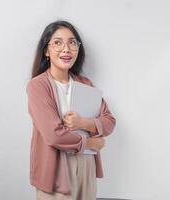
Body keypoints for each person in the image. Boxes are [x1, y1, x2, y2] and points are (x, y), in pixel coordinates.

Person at [26, 20, 116, 200]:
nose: (66, 49)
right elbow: (53, 135)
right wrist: (89, 143)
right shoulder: (38, 86)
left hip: (87, 166)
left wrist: (84, 123)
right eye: (57, 42)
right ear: (46, 50)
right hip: (55, 168)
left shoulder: (85, 84)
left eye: (72, 42)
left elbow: (109, 122)